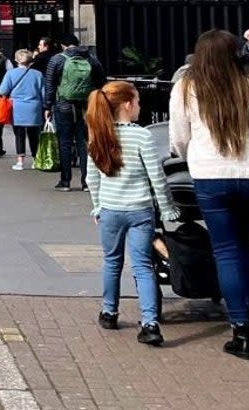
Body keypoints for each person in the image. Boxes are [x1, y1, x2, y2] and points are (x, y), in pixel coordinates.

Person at [169, 29, 249, 360]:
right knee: (245, 248)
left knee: (226, 251)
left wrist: (195, 154)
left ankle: (241, 329)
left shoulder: (187, 88)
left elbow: (179, 139)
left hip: (211, 176)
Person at [86, 80, 179, 346]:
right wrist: (168, 208)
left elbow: (92, 179)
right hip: (141, 210)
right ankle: (150, 323)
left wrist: (98, 205)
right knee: (142, 266)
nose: (139, 106)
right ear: (127, 104)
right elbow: (157, 177)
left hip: (110, 210)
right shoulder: (142, 135)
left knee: (112, 261)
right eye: (137, 101)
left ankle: (109, 311)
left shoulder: (98, 135)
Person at [45, 34, 107, 192]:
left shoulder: (57, 60)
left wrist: (47, 107)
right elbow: (101, 82)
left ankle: (65, 182)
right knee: (84, 142)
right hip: (87, 106)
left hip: (63, 105)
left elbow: (50, 84)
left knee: (64, 142)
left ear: (63, 45)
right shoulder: (91, 59)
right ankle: (87, 182)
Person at [0, 49, 46, 170]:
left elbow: (2, 91)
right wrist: (47, 108)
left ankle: (20, 161)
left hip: (17, 107)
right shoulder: (38, 74)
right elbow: (44, 93)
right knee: (34, 135)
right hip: (34, 107)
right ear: (31, 61)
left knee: (19, 134)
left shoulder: (11, 74)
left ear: (16, 60)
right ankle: (36, 160)